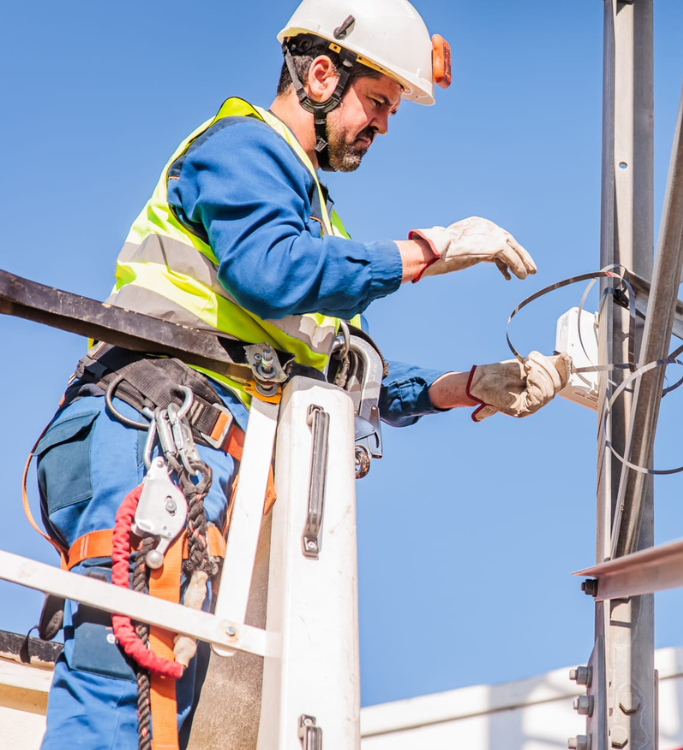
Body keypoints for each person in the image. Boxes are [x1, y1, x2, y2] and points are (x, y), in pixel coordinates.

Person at [30, 1, 570, 748]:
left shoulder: (319, 225)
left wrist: (470, 384)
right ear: (322, 73)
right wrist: (427, 252)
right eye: (378, 102)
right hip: (148, 423)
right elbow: (269, 272)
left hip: (190, 447)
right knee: (127, 675)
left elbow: (346, 370)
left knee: (162, 699)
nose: (383, 125)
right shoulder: (245, 149)